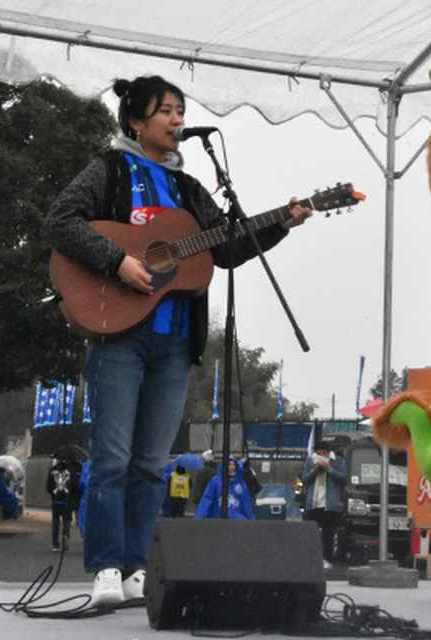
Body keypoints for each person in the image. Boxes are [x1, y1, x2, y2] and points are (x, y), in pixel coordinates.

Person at [45, 75, 311, 608]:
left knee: (150, 464)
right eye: (166, 110)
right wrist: (118, 260)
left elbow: (226, 250)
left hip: (174, 343)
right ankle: (103, 568)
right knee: (113, 458)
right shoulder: (109, 171)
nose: (177, 119)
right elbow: (61, 221)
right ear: (136, 121)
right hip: (118, 335)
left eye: (181, 110)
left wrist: (281, 223)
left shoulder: (190, 191)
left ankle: (136, 569)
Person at [301, 440, 347, 569]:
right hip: (313, 503)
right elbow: (304, 478)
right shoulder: (311, 461)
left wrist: (329, 469)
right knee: (310, 533)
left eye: (323, 453)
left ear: (327, 453)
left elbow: (343, 477)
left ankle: (327, 559)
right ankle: (309, 558)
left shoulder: (337, 461)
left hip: (329, 504)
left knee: (328, 534)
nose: (320, 456)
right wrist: (314, 470)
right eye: (318, 453)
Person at [46, 459, 80, 552]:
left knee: (55, 522)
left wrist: (53, 494)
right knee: (66, 520)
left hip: (56, 500)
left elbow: (48, 486)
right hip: (67, 500)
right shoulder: (71, 470)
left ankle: (55, 544)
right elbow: (76, 486)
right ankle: (65, 535)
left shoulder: (52, 470)